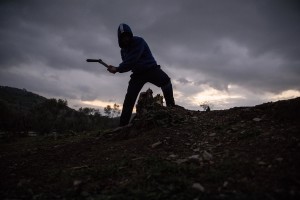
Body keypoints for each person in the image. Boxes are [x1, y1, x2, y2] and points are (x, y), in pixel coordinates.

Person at [107, 23, 175, 127]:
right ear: (119, 39)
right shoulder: (123, 51)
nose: (126, 39)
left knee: (166, 82)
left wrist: (117, 68)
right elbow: (128, 65)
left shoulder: (139, 41)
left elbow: (132, 60)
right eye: (123, 37)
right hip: (137, 74)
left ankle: (172, 110)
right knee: (129, 99)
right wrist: (117, 68)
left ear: (130, 35)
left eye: (127, 36)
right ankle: (122, 125)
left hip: (150, 69)